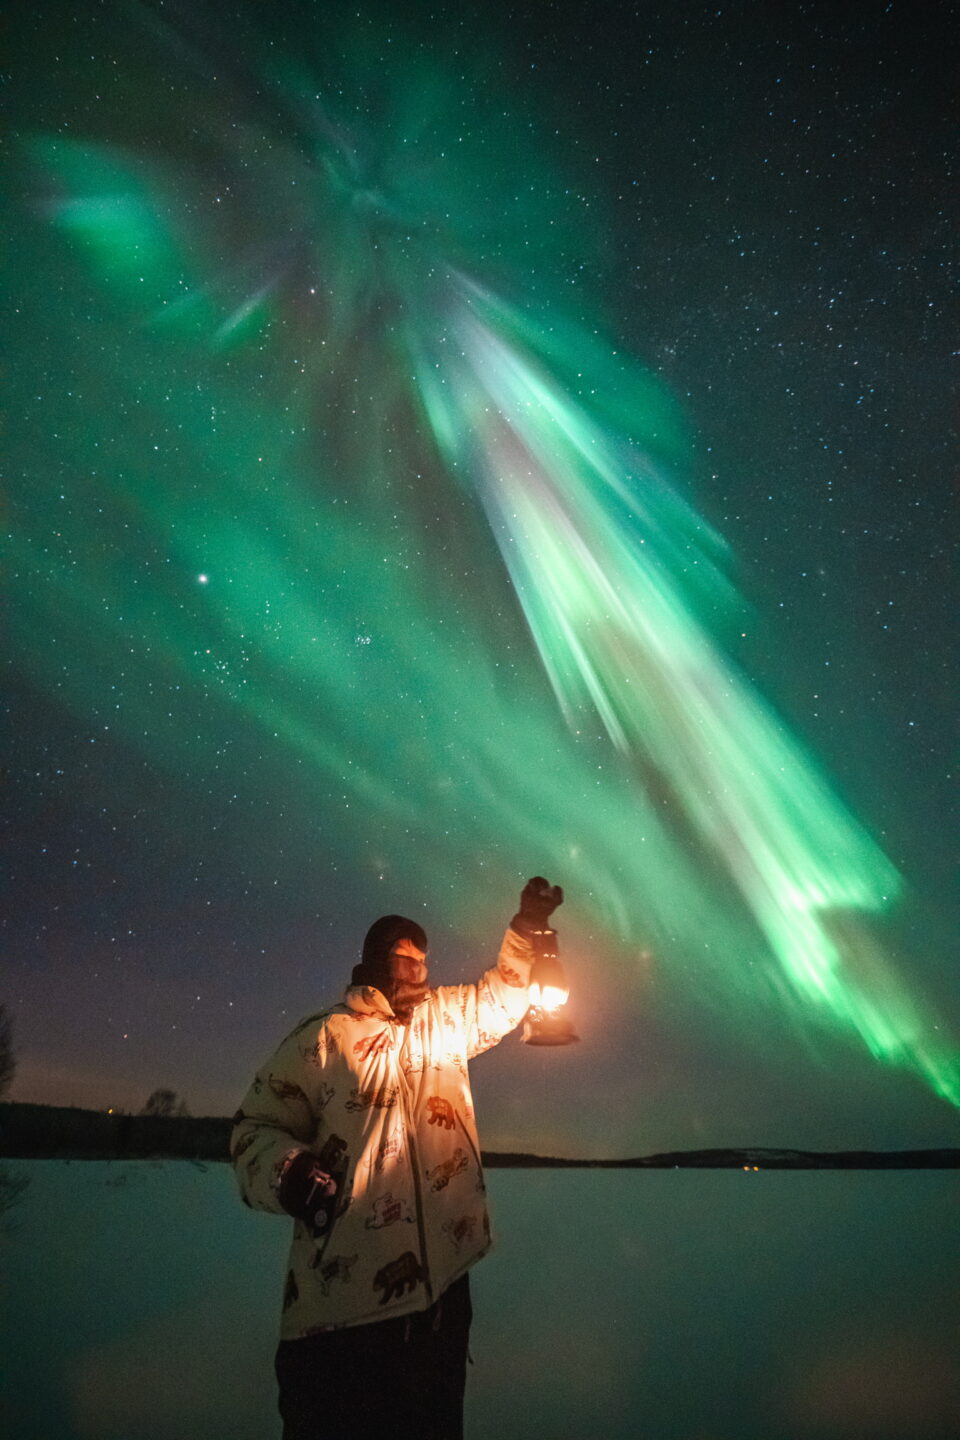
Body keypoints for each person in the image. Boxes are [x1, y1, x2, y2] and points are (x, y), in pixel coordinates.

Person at [230, 876, 564, 1440]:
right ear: (373, 963)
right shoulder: (325, 1037)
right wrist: (288, 1172)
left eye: (423, 960)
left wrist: (527, 930)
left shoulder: (446, 1021)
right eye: (403, 958)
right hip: (340, 1316)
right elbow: (253, 1129)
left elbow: (504, 993)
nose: (417, 969)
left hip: (440, 1305)